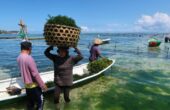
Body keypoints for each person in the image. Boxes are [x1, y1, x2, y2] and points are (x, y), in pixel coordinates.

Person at [17, 41, 47, 110]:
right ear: (29, 48)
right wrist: (43, 85)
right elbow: (35, 74)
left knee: (30, 104)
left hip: (27, 86)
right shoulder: (29, 58)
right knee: (40, 103)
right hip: (34, 86)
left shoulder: (19, 57)